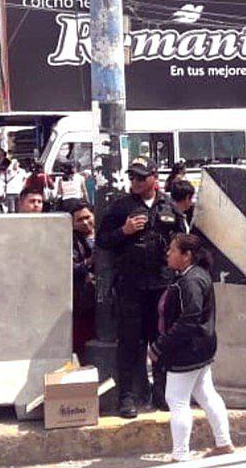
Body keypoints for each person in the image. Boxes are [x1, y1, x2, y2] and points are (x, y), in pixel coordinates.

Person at [96, 158, 182, 418]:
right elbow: (102, 240)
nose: (135, 182)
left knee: (161, 341)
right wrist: (124, 231)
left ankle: (161, 393)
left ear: (154, 177)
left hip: (161, 285)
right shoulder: (121, 207)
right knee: (130, 343)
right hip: (131, 286)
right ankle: (127, 396)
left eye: (141, 178)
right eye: (132, 177)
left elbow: (182, 238)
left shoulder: (168, 206)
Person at [152, 233, 234, 461]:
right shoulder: (197, 275)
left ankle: (180, 454)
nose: (168, 254)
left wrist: (160, 346)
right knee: (206, 394)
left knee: (176, 400)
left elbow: (189, 319)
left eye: (173, 250)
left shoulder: (190, 282)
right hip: (201, 348)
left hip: (187, 351)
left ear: (186, 255)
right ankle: (223, 442)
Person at [60, 198, 98, 354]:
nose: (85, 223)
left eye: (87, 217)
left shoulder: (103, 234)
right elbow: (70, 267)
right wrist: (90, 262)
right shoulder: (70, 240)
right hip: (81, 300)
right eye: (80, 220)